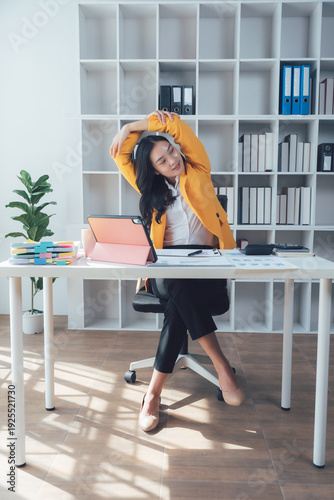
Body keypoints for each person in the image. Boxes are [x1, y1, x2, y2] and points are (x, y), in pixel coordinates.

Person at [110, 110, 245, 432]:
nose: (172, 159)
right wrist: (128, 131)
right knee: (178, 286)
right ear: (153, 171)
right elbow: (121, 154)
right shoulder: (151, 191)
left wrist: (136, 124)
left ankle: (152, 395)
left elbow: (177, 127)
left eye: (171, 150)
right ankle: (221, 365)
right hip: (164, 267)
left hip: (207, 265)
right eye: (161, 160)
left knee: (178, 306)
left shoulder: (199, 171)